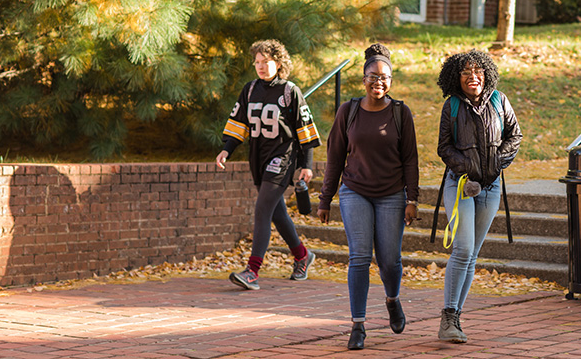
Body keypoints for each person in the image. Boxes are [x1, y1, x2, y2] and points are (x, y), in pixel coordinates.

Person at [317, 44, 419, 351]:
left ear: (391, 80)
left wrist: (412, 199)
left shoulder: (401, 114)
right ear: (364, 78)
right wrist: (325, 199)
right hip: (355, 192)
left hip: (391, 194)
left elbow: (410, 160)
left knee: (389, 259)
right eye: (373, 76)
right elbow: (334, 157)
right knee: (359, 257)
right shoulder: (348, 112)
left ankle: (392, 300)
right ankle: (358, 325)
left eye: (385, 77)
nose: (379, 81)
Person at [216, 39, 320, 290]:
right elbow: (238, 123)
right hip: (258, 157)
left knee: (262, 209)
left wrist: (306, 164)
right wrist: (226, 149)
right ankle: (302, 256)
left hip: (283, 157)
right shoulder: (250, 90)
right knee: (277, 212)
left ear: (279, 63)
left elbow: (304, 129)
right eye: (257, 62)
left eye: (266, 61)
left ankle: (252, 270)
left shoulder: (290, 91)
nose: (261, 67)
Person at [435, 49, 522, 343]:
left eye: (478, 71)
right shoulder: (452, 107)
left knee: (472, 255)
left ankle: (455, 319)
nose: (473, 77)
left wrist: (495, 163)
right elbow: (444, 147)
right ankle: (447, 317)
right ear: (456, 78)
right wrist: (469, 168)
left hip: (492, 186)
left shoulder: (500, 101)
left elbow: (515, 136)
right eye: (466, 73)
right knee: (462, 248)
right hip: (460, 184)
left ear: (486, 74)